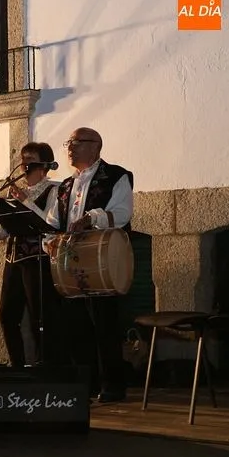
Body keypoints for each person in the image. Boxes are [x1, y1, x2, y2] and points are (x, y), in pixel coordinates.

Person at [44, 127, 133, 402]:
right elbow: (51, 221)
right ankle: (86, 383)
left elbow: (122, 213)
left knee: (105, 325)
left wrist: (92, 217)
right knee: (76, 326)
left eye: (76, 142)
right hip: (71, 262)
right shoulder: (65, 186)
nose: (70, 147)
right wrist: (48, 241)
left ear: (96, 147)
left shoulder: (116, 176)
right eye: (68, 142)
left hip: (102, 260)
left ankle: (112, 386)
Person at [0, 143, 62, 368]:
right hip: (12, 260)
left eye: (30, 158)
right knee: (6, 315)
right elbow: (3, 232)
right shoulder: (13, 191)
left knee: (40, 316)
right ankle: (17, 365)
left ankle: (46, 365)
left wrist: (25, 201)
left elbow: (50, 224)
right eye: (23, 157)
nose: (25, 162)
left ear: (44, 164)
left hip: (38, 260)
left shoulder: (55, 189)